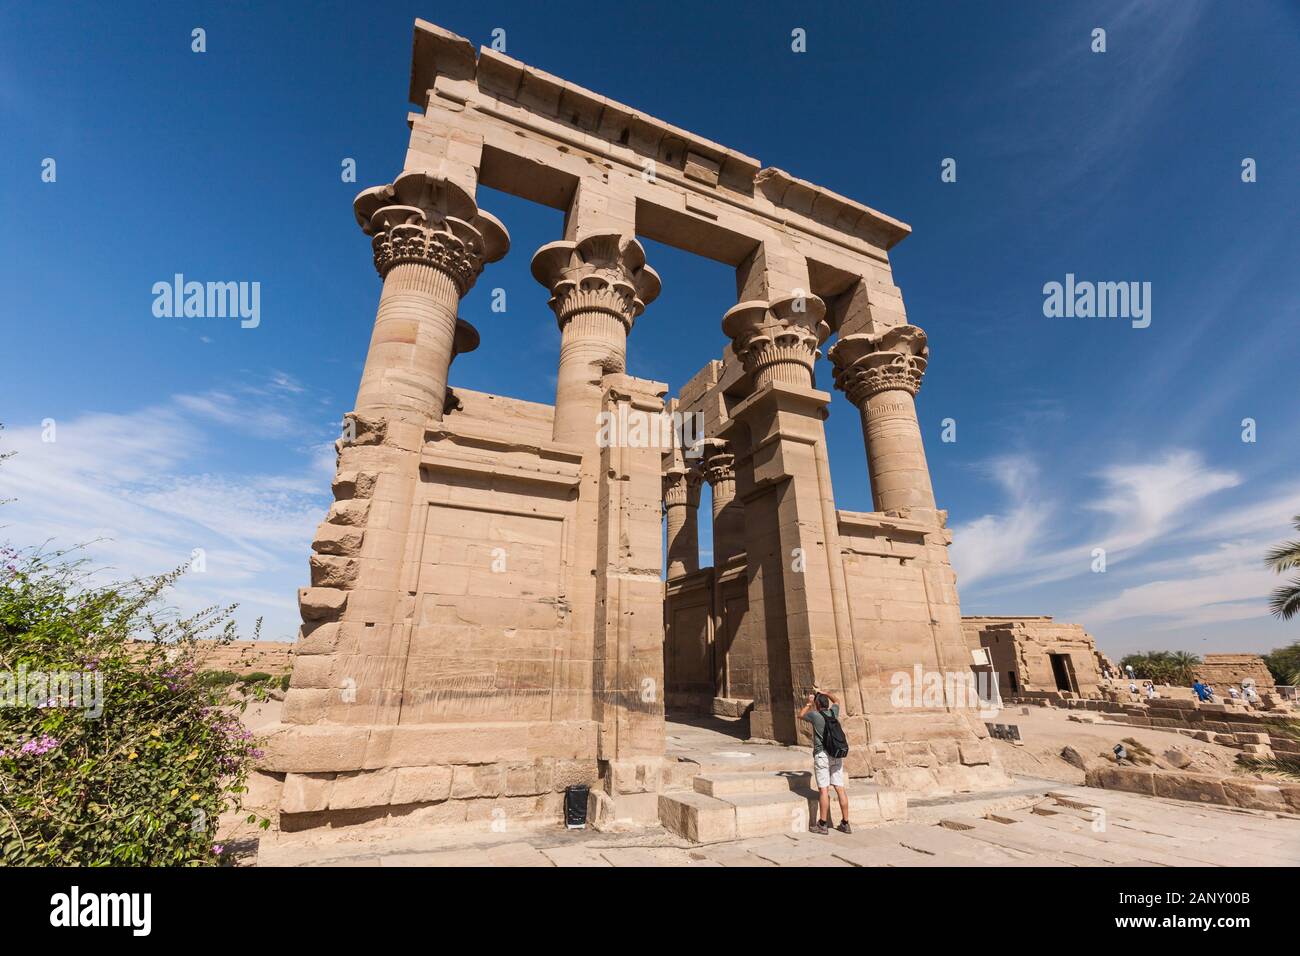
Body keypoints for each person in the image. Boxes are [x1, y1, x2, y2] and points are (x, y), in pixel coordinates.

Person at [798, 688, 850, 835]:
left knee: (824, 789)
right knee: (839, 788)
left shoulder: (815, 715)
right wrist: (825, 693)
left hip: (822, 755)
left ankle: (822, 823)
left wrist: (809, 703)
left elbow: (800, 715)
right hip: (836, 754)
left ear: (817, 705)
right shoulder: (834, 712)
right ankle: (845, 823)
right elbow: (837, 701)